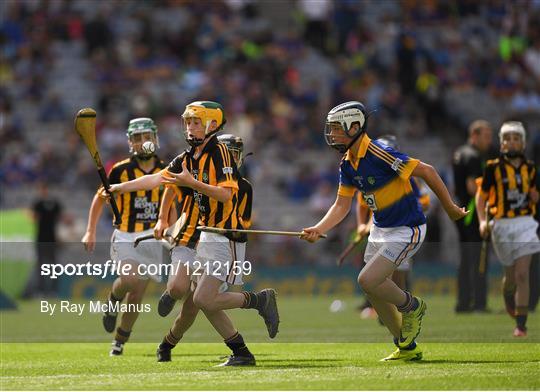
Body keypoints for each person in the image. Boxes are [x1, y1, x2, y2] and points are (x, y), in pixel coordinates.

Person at [107, 101, 278, 367]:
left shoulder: (220, 153)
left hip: (224, 237)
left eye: (195, 121)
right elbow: (158, 179)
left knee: (202, 299)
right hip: (206, 238)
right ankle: (241, 351)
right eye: (187, 121)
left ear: (211, 124)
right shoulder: (187, 157)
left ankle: (258, 300)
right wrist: (119, 188)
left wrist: (191, 183)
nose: (189, 126)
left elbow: (226, 194)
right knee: (203, 301)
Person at [301, 101, 467, 361]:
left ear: (354, 127)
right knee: (372, 289)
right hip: (381, 229)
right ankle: (406, 348)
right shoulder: (347, 163)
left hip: (406, 228)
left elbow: (427, 171)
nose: (331, 134)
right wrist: (318, 228)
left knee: (367, 280)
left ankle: (413, 306)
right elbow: (341, 204)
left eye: (336, 128)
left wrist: (450, 208)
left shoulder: (380, 154)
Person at [155, 133, 253, 363]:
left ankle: (167, 344)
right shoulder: (198, 173)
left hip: (213, 245)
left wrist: (236, 232)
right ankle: (171, 293)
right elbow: (170, 184)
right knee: (180, 288)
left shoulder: (243, 188)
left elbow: (242, 222)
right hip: (189, 239)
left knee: (195, 306)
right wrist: (163, 218)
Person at [82, 118, 168, 356]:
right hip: (126, 236)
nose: (143, 142)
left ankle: (120, 340)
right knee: (129, 280)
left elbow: (172, 201)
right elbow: (100, 198)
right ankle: (112, 299)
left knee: (137, 294)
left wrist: (169, 225)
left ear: (155, 138)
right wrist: (91, 230)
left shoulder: (166, 169)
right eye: (137, 138)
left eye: (146, 137)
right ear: (131, 142)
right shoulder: (121, 170)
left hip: (153, 238)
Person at [476, 121, 540, 337]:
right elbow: (481, 196)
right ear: (501, 144)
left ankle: (521, 325)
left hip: (525, 224)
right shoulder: (493, 168)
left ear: (522, 143)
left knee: (523, 274)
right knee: (510, 276)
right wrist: (482, 221)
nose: (511, 142)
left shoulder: (531, 168)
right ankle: (507, 295)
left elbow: (534, 194)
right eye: (507, 139)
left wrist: (536, 196)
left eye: (515, 138)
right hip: (501, 226)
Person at [356, 135, 431, 319]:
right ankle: (388, 312)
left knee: (399, 273)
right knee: (376, 274)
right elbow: (363, 203)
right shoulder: (367, 175)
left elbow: (424, 201)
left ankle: (405, 310)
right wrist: (362, 225)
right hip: (381, 231)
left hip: (403, 230)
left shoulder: (404, 176)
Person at [452, 120, 494, 312]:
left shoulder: (459, 153)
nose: (490, 140)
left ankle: (463, 303)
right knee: (479, 259)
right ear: (475, 135)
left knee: (465, 260)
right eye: (486, 136)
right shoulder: (474, 156)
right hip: (474, 215)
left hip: (461, 214)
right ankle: (479, 303)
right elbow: (473, 187)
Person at [29, 182, 63, 297]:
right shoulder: (37, 204)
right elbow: (33, 219)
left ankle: (53, 290)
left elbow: (60, 218)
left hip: (51, 238)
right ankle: (41, 290)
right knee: (41, 266)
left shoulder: (53, 203)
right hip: (41, 238)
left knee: (52, 265)